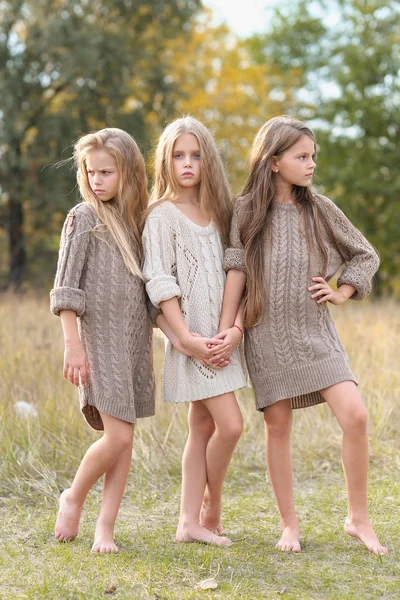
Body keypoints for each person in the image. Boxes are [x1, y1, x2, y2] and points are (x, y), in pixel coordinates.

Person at [217, 115, 387, 555]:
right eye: (302, 157)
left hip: (316, 334)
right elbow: (235, 271)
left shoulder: (321, 208)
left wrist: (342, 291)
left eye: (313, 157)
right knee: (278, 427)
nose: (311, 165)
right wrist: (230, 327)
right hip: (265, 336)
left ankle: (358, 518)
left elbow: (365, 254)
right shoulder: (245, 211)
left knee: (356, 416)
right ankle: (289, 525)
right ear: (274, 161)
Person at [142, 116, 247, 546]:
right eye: (178, 155)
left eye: (196, 155)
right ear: (165, 161)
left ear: (209, 161)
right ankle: (211, 506)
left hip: (222, 340)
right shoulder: (160, 216)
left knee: (201, 428)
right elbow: (159, 280)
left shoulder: (220, 214)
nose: (187, 164)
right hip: (192, 343)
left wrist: (235, 328)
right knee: (232, 426)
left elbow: (240, 276)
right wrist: (184, 339)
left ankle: (188, 522)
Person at [50, 128, 155, 553]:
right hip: (97, 342)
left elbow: (148, 292)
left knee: (125, 440)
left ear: (128, 172)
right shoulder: (83, 218)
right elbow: (66, 288)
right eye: (91, 172)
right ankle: (72, 496)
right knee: (118, 438)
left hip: (133, 343)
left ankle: (105, 531)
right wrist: (72, 344)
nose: (97, 180)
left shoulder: (136, 224)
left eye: (106, 172)